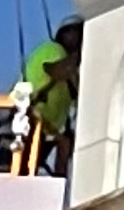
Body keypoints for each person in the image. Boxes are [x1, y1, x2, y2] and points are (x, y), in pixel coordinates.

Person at [20, 18, 83, 175]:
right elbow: (56, 71)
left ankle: (60, 181)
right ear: (66, 34)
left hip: (43, 128)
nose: (81, 39)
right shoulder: (53, 49)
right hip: (23, 119)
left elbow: (81, 99)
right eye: (79, 34)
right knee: (12, 169)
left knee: (28, 170)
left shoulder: (71, 73)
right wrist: (81, 54)